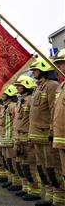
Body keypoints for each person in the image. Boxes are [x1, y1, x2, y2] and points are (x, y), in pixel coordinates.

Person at [29, 57, 59, 206]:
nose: (33, 73)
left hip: (46, 134)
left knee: (52, 166)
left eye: (35, 70)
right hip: (36, 135)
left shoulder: (52, 86)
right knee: (42, 166)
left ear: (43, 70)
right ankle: (48, 195)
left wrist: (53, 130)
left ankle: (58, 197)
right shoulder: (38, 88)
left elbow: (54, 109)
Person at [52, 49, 65, 206]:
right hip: (60, 135)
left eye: (63, 63)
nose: (61, 66)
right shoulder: (61, 87)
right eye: (60, 64)